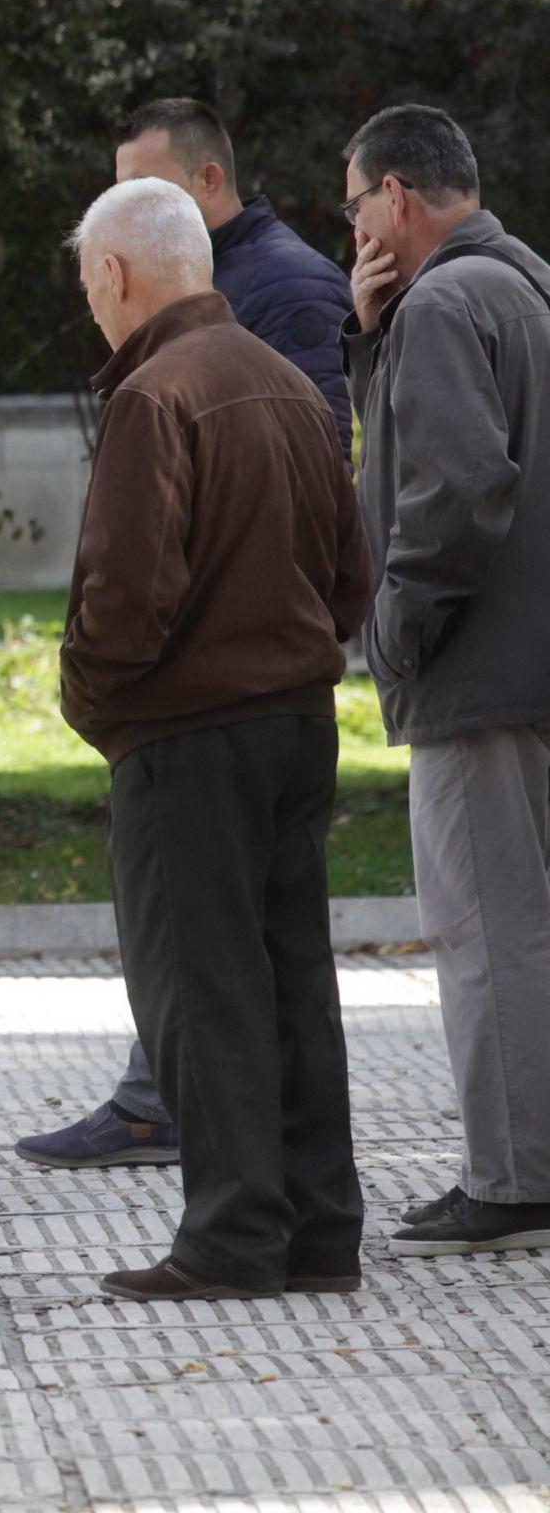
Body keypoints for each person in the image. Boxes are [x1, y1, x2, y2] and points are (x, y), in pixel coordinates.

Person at [16, 95, 359, 1172]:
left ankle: (231, 1229)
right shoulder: (287, 386)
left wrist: (94, 704)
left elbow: (125, 593)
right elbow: (349, 566)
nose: (92, 310)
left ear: (114, 277)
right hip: (296, 718)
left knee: (199, 991)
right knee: (295, 980)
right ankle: (315, 1227)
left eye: (89, 289)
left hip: (188, 736)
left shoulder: (151, 394)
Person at [340, 104, 550, 1258]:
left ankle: (513, 1181)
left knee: (485, 931)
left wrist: (394, 630)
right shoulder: (524, 286)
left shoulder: (446, 304)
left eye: (356, 203)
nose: (354, 226)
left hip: (477, 673)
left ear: (399, 200)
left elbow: (455, 490)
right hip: (533, 660)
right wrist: (369, 339)